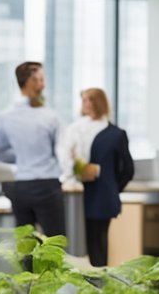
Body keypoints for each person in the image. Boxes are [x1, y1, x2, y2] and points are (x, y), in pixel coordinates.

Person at [57, 88, 134, 266]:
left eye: (88, 100)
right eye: (83, 100)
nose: (84, 104)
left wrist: (114, 187)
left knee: (98, 239)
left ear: (98, 103)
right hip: (79, 192)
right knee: (81, 241)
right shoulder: (76, 128)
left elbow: (128, 169)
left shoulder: (115, 134)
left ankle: (99, 280)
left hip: (101, 196)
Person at [0, 61, 66, 238]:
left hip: (22, 187)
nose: (43, 84)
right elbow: (61, 151)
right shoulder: (49, 116)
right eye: (39, 79)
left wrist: (22, 157)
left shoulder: (6, 116)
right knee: (55, 244)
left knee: (26, 246)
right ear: (28, 82)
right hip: (47, 185)